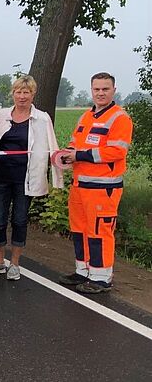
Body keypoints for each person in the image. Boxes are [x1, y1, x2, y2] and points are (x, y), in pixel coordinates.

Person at [58, 72, 133, 294]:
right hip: (80, 185)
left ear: (113, 90)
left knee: (100, 232)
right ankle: (83, 270)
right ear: (91, 90)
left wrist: (79, 155)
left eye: (105, 89)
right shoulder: (86, 117)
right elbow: (74, 142)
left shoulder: (120, 118)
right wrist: (67, 153)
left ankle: (101, 278)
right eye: (97, 89)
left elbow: (116, 151)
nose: (100, 93)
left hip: (104, 187)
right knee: (79, 229)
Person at [0, 75, 62, 281]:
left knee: (19, 220)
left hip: (25, 179)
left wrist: (58, 174)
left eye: (26, 92)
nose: (22, 96)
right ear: (13, 94)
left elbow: (53, 148)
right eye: (18, 92)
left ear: (33, 94)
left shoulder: (42, 119)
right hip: (0, 177)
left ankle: (15, 264)